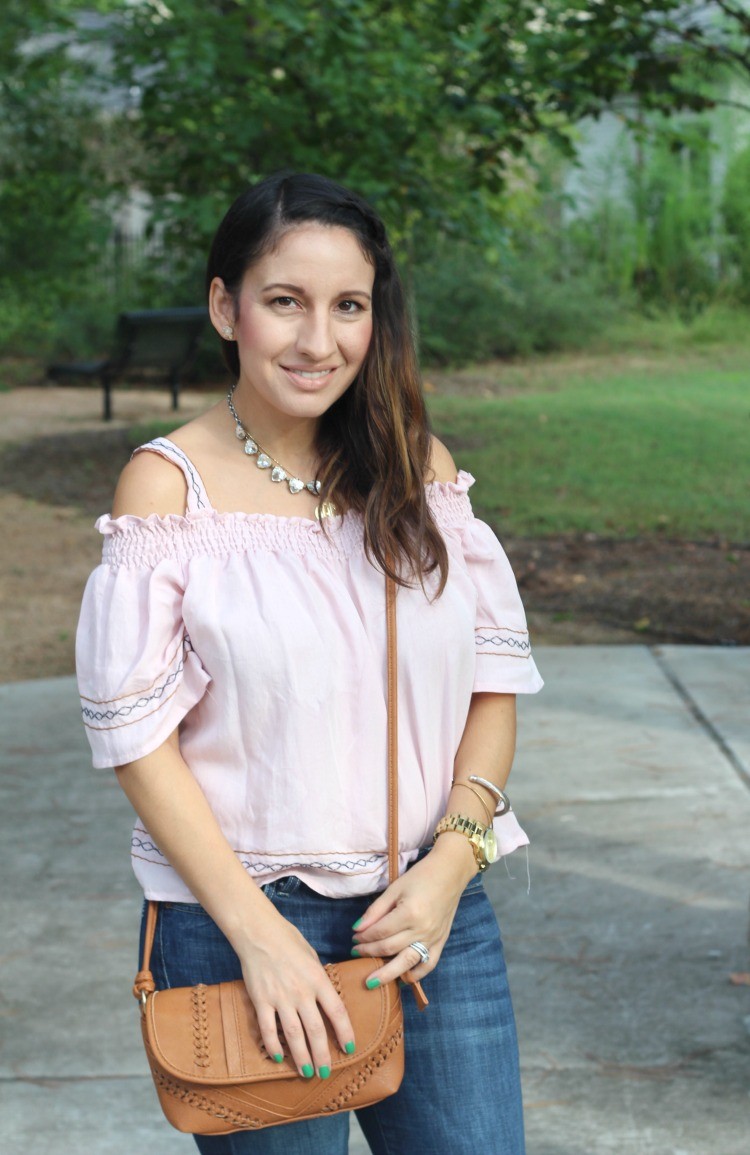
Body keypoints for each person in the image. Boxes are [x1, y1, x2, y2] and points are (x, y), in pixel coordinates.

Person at [76, 171, 543, 1154]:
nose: (317, 341)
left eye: (349, 307)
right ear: (224, 307)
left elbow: (491, 692)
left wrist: (453, 866)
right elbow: (136, 738)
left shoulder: (418, 467)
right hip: (239, 923)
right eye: (284, 301)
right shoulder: (170, 491)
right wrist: (259, 937)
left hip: (428, 916)